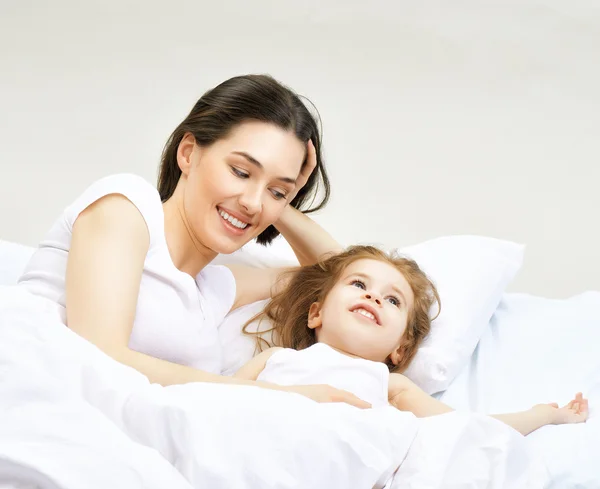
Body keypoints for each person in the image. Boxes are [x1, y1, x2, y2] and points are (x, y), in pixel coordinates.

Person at [16, 74, 369, 408]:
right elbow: (99, 355)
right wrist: (275, 396)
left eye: (275, 191)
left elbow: (340, 276)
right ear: (188, 153)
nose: (252, 202)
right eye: (241, 172)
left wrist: (284, 201)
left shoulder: (214, 289)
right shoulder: (125, 206)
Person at [236, 245, 589, 435]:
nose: (374, 297)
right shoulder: (274, 359)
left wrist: (543, 415)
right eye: (359, 284)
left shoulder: (389, 384)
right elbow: (213, 395)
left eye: (393, 300)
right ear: (316, 314)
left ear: (400, 348)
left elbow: (465, 429)